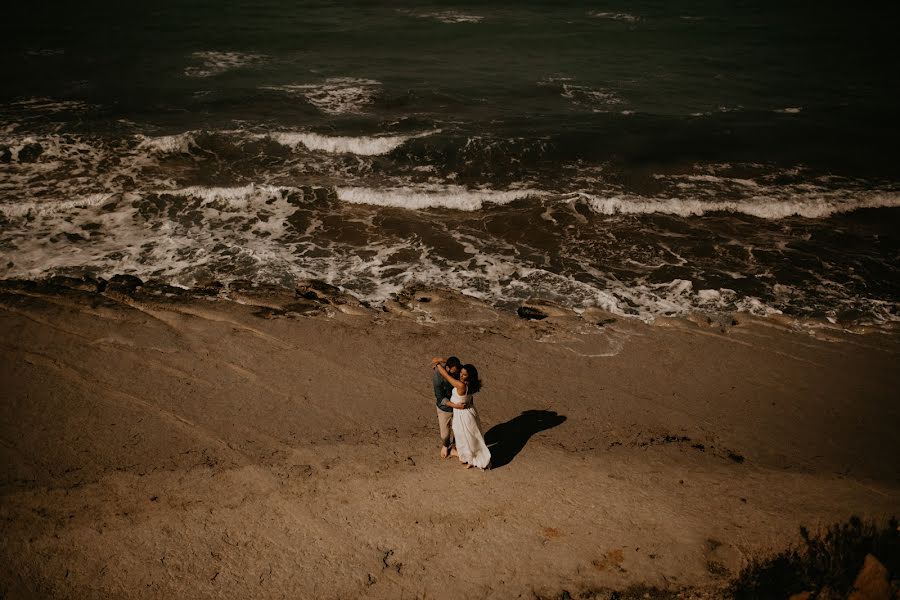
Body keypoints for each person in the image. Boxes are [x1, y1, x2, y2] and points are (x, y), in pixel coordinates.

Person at [433, 360, 491, 470]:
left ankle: (471, 460)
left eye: (464, 374)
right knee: (470, 437)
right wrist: (443, 359)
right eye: (461, 373)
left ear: (469, 376)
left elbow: (445, 375)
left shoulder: (460, 385)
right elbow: (454, 363)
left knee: (464, 437)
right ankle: (470, 458)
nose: (461, 375)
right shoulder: (472, 384)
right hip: (470, 411)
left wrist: (437, 364)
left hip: (462, 414)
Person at [432, 356, 463, 458]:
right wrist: (455, 405)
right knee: (444, 434)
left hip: (457, 407)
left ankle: (454, 447)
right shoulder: (438, 377)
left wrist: (439, 360)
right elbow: (440, 398)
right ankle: (446, 445)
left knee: (458, 430)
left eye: (456, 372)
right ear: (448, 368)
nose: (455, 375)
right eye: (453, 372)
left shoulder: (457, 370)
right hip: (444, 408)